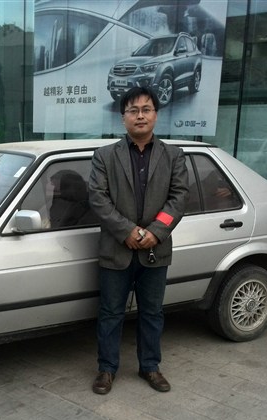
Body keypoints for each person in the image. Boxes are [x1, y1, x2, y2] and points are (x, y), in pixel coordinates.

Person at [88, 86, 189, 395]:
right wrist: (127, 232)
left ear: (156, 115)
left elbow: (179, 198)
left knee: (152, 312)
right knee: (110, 313)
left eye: (146, 109)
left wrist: (155, 232)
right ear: (124, 118)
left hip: (156, 250)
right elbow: (98, 198)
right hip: (116, 249)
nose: (140, 116)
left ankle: (150, 366)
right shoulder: (105, 156)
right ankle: (107, 369)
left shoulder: (173, 156)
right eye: (133, 111)